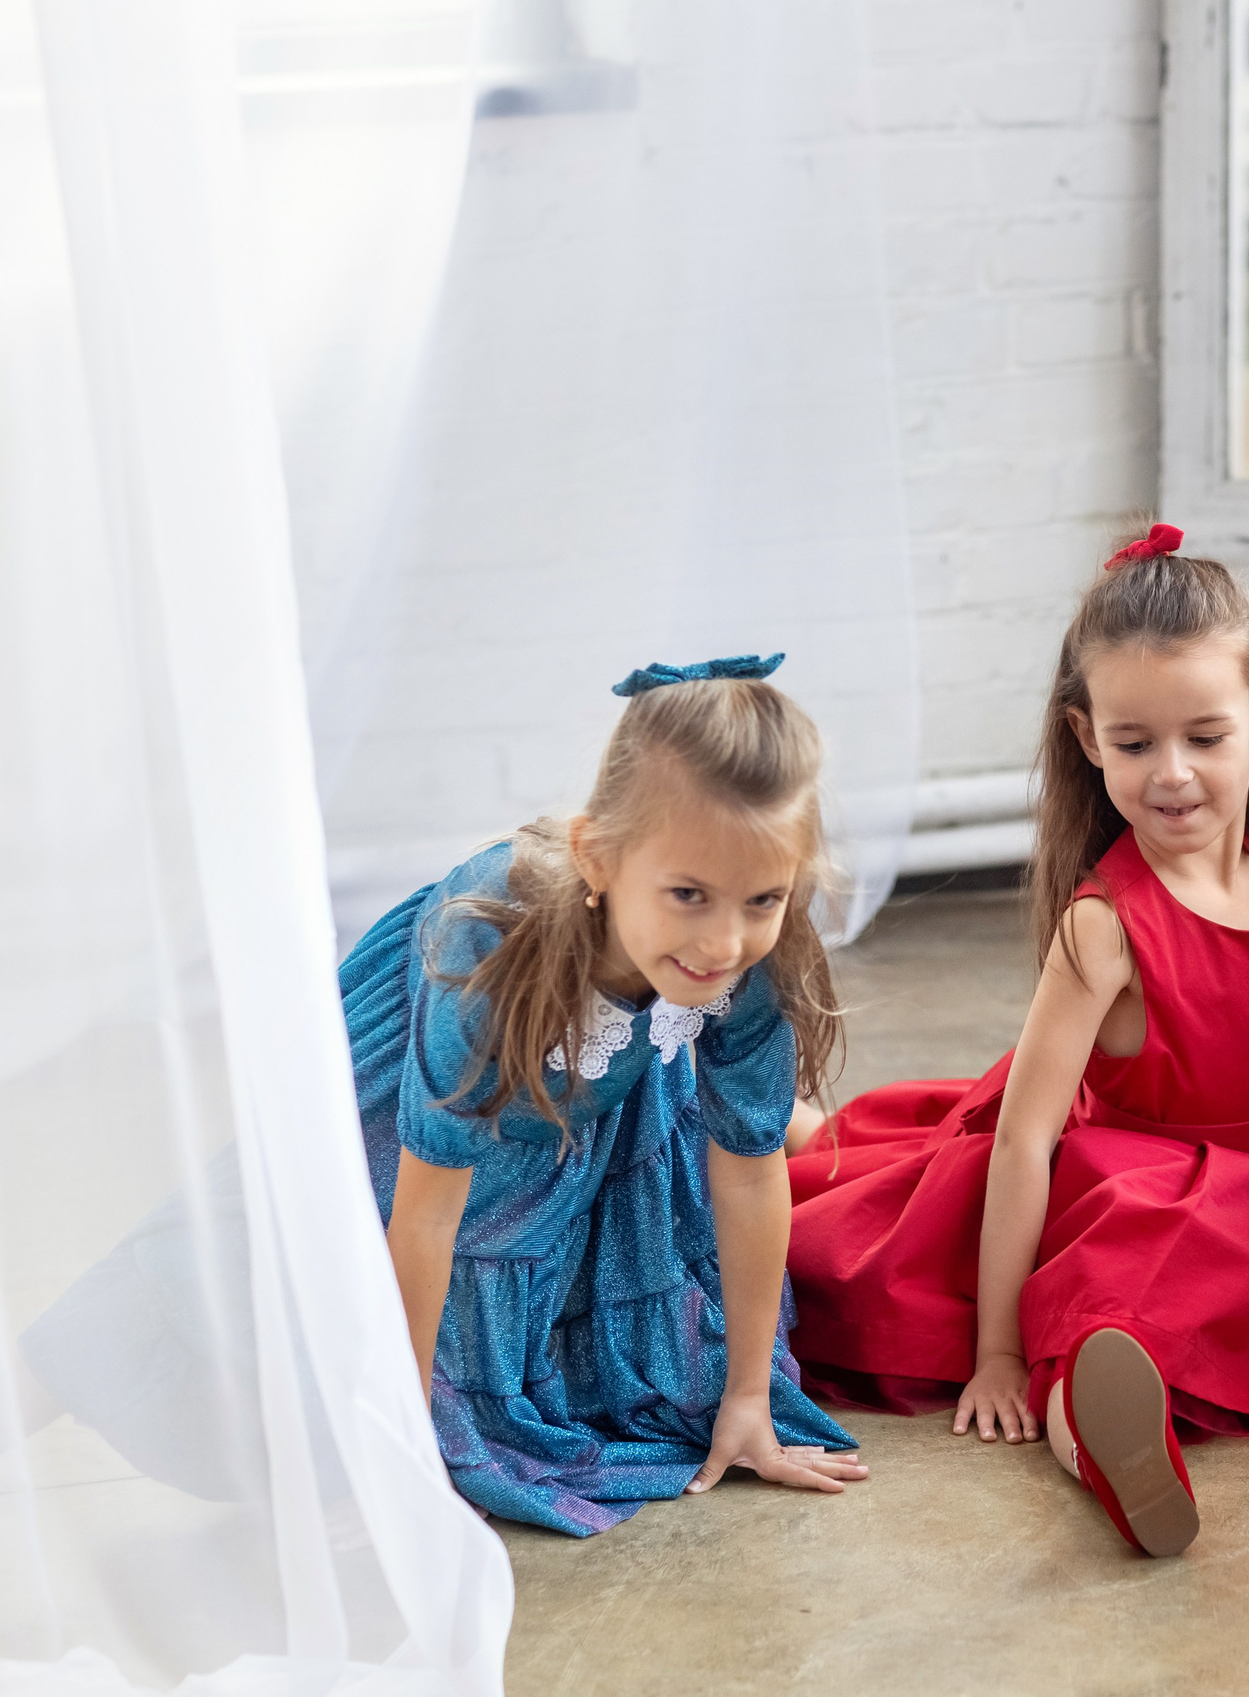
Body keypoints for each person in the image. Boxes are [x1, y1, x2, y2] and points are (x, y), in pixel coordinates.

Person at [785, 525, 1249, 1558]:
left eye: (1203, 737)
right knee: (1089, 1287)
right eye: (1134, 743)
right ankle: (1104, 1428)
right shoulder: (1104, 923)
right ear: (1086, 738)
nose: (1171, 775)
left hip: (1245, 1185)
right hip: (1113, 1184)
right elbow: (1027, 1141)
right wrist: (992, 1352)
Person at [346, 654, 867, 1534]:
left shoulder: (746, 955)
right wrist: (401, 1439)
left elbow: (745, 1169)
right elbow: (426, 1214)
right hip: (438, 1116)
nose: (725, 938)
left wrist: (748, 1394)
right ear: (597, 856)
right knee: (439, 1373)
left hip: (606, 1094)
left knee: (674, 1372)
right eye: (689, 894)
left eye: (762, 897)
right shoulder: (481, 943)